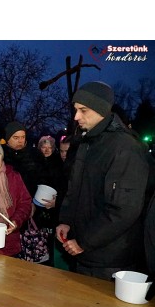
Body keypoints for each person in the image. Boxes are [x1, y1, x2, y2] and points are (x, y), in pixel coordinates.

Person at [56, 81, 150, 281]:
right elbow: (75, 189)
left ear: (101, 110)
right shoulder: (87, 141)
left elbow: (124, 209)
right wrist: (65, 220)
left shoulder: (125, 147)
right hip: (84, 252)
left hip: (111, 258)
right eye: (75, 110)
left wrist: (84, 241)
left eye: (83, 110)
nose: (76, 117)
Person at [32, 135, 65, 266]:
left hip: (53, 207)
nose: (46, 150)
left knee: (51, 239)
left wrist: (57, 200)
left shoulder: (59, 164)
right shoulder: (35, 162)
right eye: (43, 147)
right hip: (37, 207)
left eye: (50, 147)